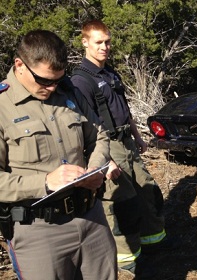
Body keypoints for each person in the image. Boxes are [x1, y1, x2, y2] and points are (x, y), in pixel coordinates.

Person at [0, 30, 117, 279]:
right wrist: (45, 182)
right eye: (44, 81)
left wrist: (94, 170)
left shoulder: (69, 91)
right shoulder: (2, 107)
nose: (52, 87)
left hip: (91, 215)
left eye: (58, 79)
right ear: (19, 65)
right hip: (38, 230)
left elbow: (99, 136)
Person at [71, 19, 173, 277]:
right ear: (85, 42)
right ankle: (126, 264)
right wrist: (105, 161)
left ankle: (155, 243)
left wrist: (138, 138)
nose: (105, 47)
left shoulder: (110, 73)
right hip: (108, 147)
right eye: (98, 42)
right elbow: (85, 126)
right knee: (121, 205)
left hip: (127, 142)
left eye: (107, 42)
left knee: (147, 190)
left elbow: (124, 111)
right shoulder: (81, 81)